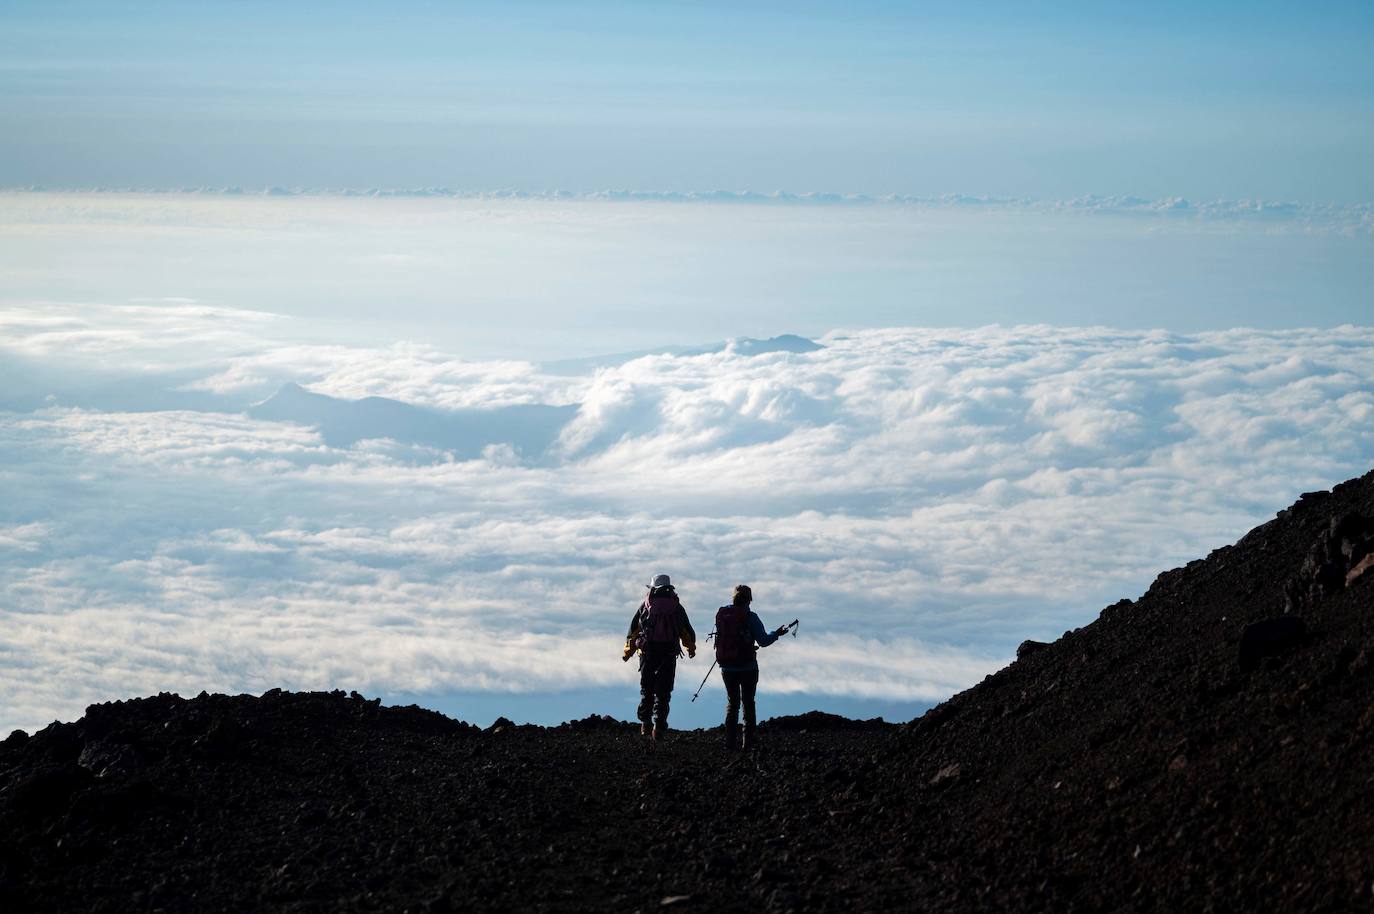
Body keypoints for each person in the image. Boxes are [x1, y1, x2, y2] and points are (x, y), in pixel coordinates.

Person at [714, 584, 790, 751]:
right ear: (749, 599)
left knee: (732, 703)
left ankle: (729, 743)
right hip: (748, 667)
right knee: (748, 703)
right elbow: (763, 641)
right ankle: (747, 744)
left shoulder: (723, 614)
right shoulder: (751, 617)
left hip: (727, 667)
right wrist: (776, 634)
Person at [623, 573, 696, 743]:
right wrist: (690, 648)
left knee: (646, 689)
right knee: (663, 692)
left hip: (647, 654)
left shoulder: (646, 606)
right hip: (669, 654)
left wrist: (628, 651)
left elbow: (634, 630)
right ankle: (659, 727)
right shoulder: (677, 608)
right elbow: (686, 631)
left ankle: (645, 724)